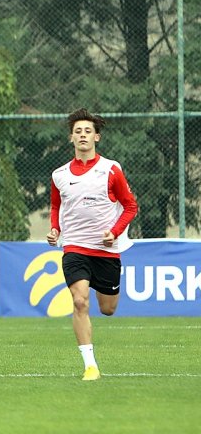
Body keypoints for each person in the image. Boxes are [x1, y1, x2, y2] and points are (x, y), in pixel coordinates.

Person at [46, 108, 138, 381]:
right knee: (79, 301)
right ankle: (90, 365)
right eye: (78, 131)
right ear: (71, 139)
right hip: (74, 247)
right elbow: (55, 205)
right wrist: (55, 228)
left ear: (96, 137)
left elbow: (131, 206)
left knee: (107, 309)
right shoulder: (59, 174)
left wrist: (115, 231)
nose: (83, 135)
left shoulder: (110, 169)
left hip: (106, 250)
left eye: (88, 131)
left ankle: (92, 359)